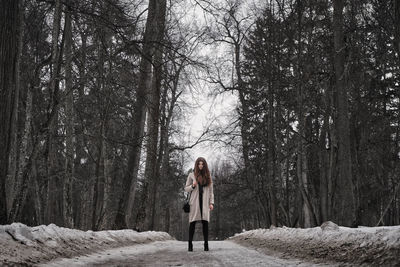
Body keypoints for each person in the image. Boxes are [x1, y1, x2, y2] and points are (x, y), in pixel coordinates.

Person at [184, 157, 214, 252]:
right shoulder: (191, 175)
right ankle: (190, 245)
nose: (200, 165)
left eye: (202, 164)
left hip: (205, 203)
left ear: (204, 165)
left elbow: (211, 191)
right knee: (192, 223)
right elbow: (186, 189)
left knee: (205, 224)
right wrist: (193, 185)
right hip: (194, 202)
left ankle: (206, 245)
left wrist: (211, 203)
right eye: (199, 164)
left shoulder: (208, 176)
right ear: (196, 165)